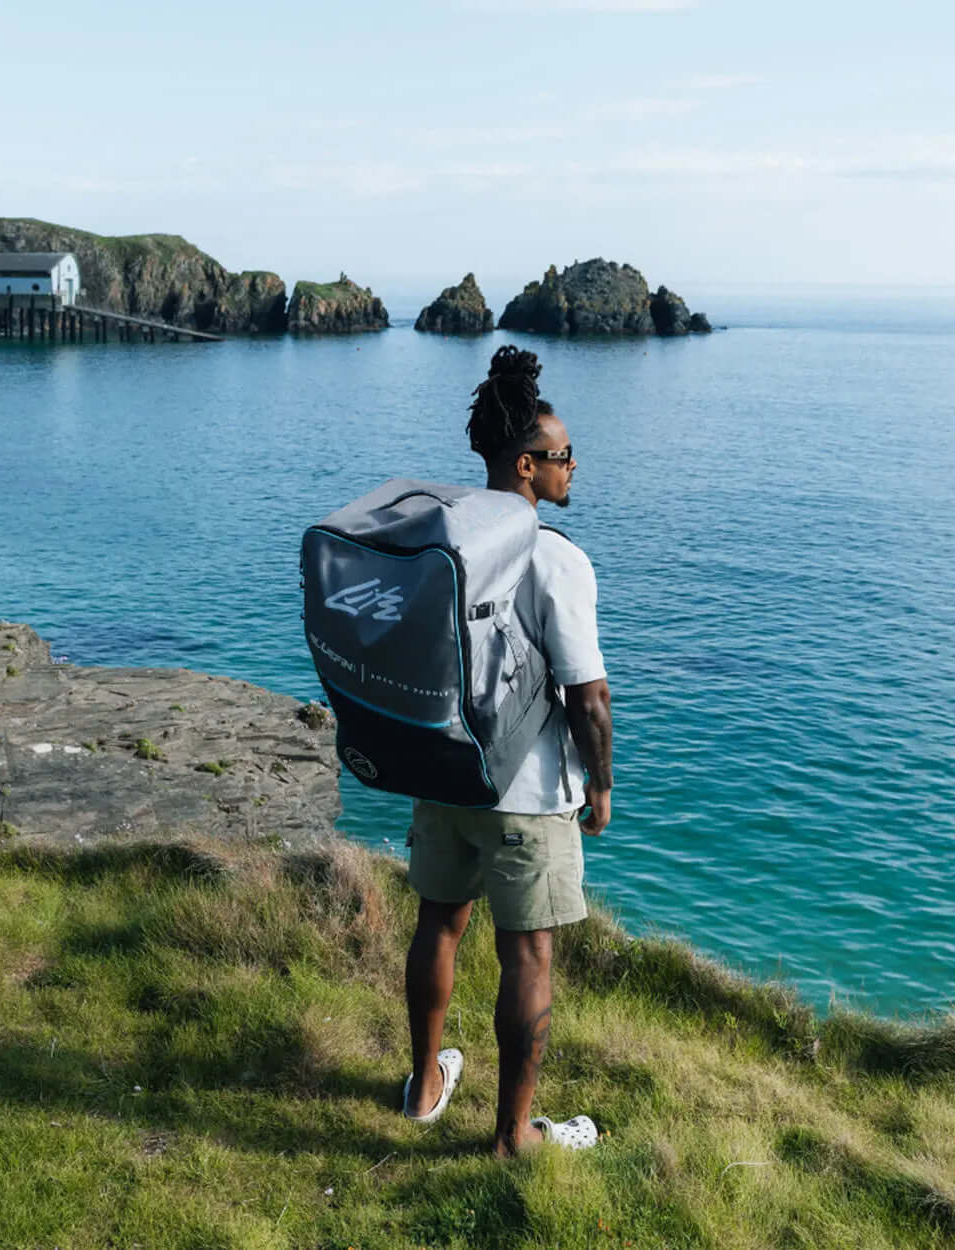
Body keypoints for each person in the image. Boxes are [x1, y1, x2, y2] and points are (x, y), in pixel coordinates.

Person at [402, 345, 613, 1156]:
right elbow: (588, 696)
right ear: (526, 466)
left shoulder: (447, 540)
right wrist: (599, 786)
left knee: (438, 925)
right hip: (526, 793)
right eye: (561, 457)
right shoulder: (555, 557)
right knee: (527, 953)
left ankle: (425, 1086)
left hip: (445, 770)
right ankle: (511, 1137)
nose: (571, 468)